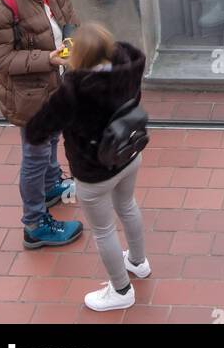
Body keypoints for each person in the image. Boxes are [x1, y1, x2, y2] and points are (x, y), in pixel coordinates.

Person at [26, 23, 149, 311]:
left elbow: (37, 130)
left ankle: (120, 292)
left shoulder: (73, 91)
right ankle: (138, 262)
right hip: (129, 154)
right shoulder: (128, 70)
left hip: (95, 172)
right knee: (128, 206)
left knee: (104, 230)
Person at [0, 0, 83, 250]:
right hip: (29, 94)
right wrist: (48, 59)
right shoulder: (3, 4)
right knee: (35, 155)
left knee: (52, 138)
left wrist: (69, 40)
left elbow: (68, 15)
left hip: (53, 84)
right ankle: (35, 224)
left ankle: (52, 185)